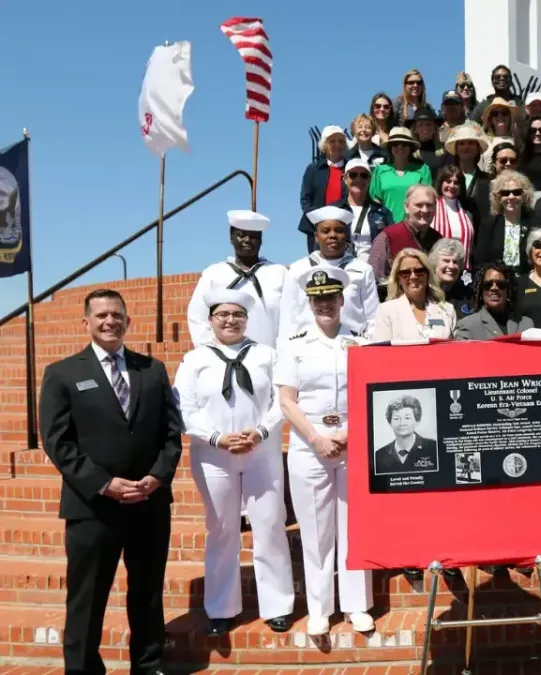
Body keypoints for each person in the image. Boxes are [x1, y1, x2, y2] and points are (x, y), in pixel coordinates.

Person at [39, 289, 182, 675]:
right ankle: (83, 668)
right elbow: (57, 442)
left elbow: (171, 435)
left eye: (116, 315)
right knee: (86, 598)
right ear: (85, 322)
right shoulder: (62, 373)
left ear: (127, 321)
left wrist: (156, 477)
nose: (109, 321)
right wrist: (103, 483)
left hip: (148, 504)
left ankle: (149, 664)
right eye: (101, 315)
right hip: (92, 507)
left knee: (147, 593)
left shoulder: (152, 370)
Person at [174, 289, 294, 636]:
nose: (230, 320)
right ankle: (222, 608)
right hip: (213, 457)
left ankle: (278, 605)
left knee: (270, 525)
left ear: (247, 318)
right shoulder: (195, 360)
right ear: (210, 320)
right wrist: (216, 438)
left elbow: (280, 401)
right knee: (223, 529)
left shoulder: (266, 355)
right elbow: (184, 409)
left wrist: (259, 431)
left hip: (262, 454)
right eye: (222, 314)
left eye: (237, 314)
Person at [277, 267, 375, 635]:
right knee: (315, 529)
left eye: (331, 298)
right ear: (309, 302)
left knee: (353, 526)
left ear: (341, 300)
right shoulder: (295, 345)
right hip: (309, 444)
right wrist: (317, 438)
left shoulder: (360, 343)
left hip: (353, 440)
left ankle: (357, 605)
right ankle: (320, 608)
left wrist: (347, 434)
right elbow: (287, 401)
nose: (325, 304)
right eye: (318, 299)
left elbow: (368, 392)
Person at [188, 210, 288, 348]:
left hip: (271, 360)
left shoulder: (279, 273)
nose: (247, 240)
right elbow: (197, 317)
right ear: (231, 238)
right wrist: (213, 354)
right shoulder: (214, 274)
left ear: (260, 240)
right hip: (225, 361)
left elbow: (291, 318)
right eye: (241, 235)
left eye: (253, 236)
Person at [281, 206, 380, 339]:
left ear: (346, 236)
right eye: (325, 231)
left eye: (339, 230)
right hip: (307, 349)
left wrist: (369, 347)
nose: (332, 235)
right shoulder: (298, 269)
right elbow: (287, 319)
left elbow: (373, 317)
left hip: (351, 346)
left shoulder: (362, 269)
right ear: (316, 237)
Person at [366, 185, 442, 295]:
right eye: (419, 205)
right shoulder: (388, 237)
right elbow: (374, 280)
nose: (425, 210)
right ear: (406, 207)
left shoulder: (438, 240)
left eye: (429, 205)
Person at [371, 248, 457, 342]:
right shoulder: (386, 311)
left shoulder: (448, 310)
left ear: (427, 275)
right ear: (398, 279)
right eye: (405, 273)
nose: (413, 276)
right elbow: (381, 352)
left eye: (419, 271)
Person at [472, 169, 537, 274]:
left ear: (525, 195)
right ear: (498, 197)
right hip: (499, 284)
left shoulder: (535, 222)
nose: (511, 197)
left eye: (516, 192)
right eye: (505, 193)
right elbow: (480, 260)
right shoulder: (489, 225)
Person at [298, 126, 349, 251]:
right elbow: (305, 200)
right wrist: (320, 220)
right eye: (332, 141)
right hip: (316, 227)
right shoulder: (313, 169)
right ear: (324, 145)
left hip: (343, 227)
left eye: (341, 141)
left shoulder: (351, 169)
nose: (337, 144)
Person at [369, 126, 433, 224]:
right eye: (395, 144)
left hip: (415, 227)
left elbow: (427, 201)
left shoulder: (423, 170)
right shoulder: (380, 171)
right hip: (386, 227)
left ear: (410, 147)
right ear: (390, 147)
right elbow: (376, 201)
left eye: (404, 144)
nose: (400, 147)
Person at [454, 261, 534, 339]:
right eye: (488, 285)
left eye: (501, 284)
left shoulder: (526, 324)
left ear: (508, 290)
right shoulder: (468, 325)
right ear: (481, 291)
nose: (494, 288)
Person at [336, 158, 395, 263]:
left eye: (364, 175)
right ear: (345, 178)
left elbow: (392, 244)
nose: (358, 179)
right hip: (342, 271)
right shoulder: (334, 211)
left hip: (374, 272)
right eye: (353, 175)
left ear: (369, 180)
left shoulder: (382, 212)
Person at [373, 395, 438, 474]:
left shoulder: (433, 448)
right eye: (396, 418)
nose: (402, 423)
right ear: (390, 423)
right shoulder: (379, 455)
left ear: (417, 421)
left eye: (407, 418)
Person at [444, 123, 491, 224]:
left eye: (471, 143)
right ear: (456, 149)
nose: (466, 147)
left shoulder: (487, 179)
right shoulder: (445, 177)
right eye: (462, 143)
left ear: (477, 149)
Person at [430, 165, 475, 260]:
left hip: (461, 268)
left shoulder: (468, 211)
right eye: (448, 181)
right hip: (435, 267)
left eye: (456, 183)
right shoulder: (431, 207)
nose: (452, 186)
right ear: (441, 183)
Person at [429, 237, 473, 319]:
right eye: (446, 261)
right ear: (434, 263)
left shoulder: (467, 294)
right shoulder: (426, 292)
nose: (451, 266)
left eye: (455, 262)